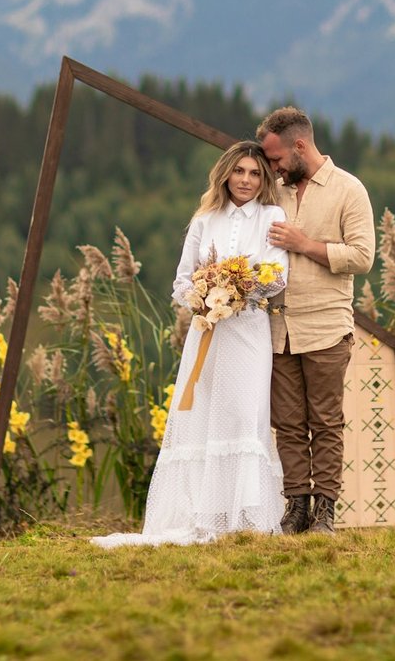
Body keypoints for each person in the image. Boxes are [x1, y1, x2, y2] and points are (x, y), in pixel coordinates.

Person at [92, 141, 290, 548]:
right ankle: (204, 511)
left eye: (255, 173)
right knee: (202, 414)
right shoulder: (204, 220)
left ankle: (247, 516)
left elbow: (278, 277)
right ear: (225, 175)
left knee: (242, 414)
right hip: (206, 333)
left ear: (264, 178)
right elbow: (181, 282)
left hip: (249, 330)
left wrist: (239, 288)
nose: (247, 180)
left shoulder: (272, 216)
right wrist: (203, 295)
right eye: (239, 172)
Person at [257, 106, 375, 535]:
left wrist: (305, 244)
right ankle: (296, 507)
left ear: (300, 146)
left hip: (326, 326)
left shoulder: (349, 190)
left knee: (325, 422)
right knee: (287, 423)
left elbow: (362, 257)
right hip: (276, 329)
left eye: (275, 158)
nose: (271, 167)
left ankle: (325, 510)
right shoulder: (275, 192)